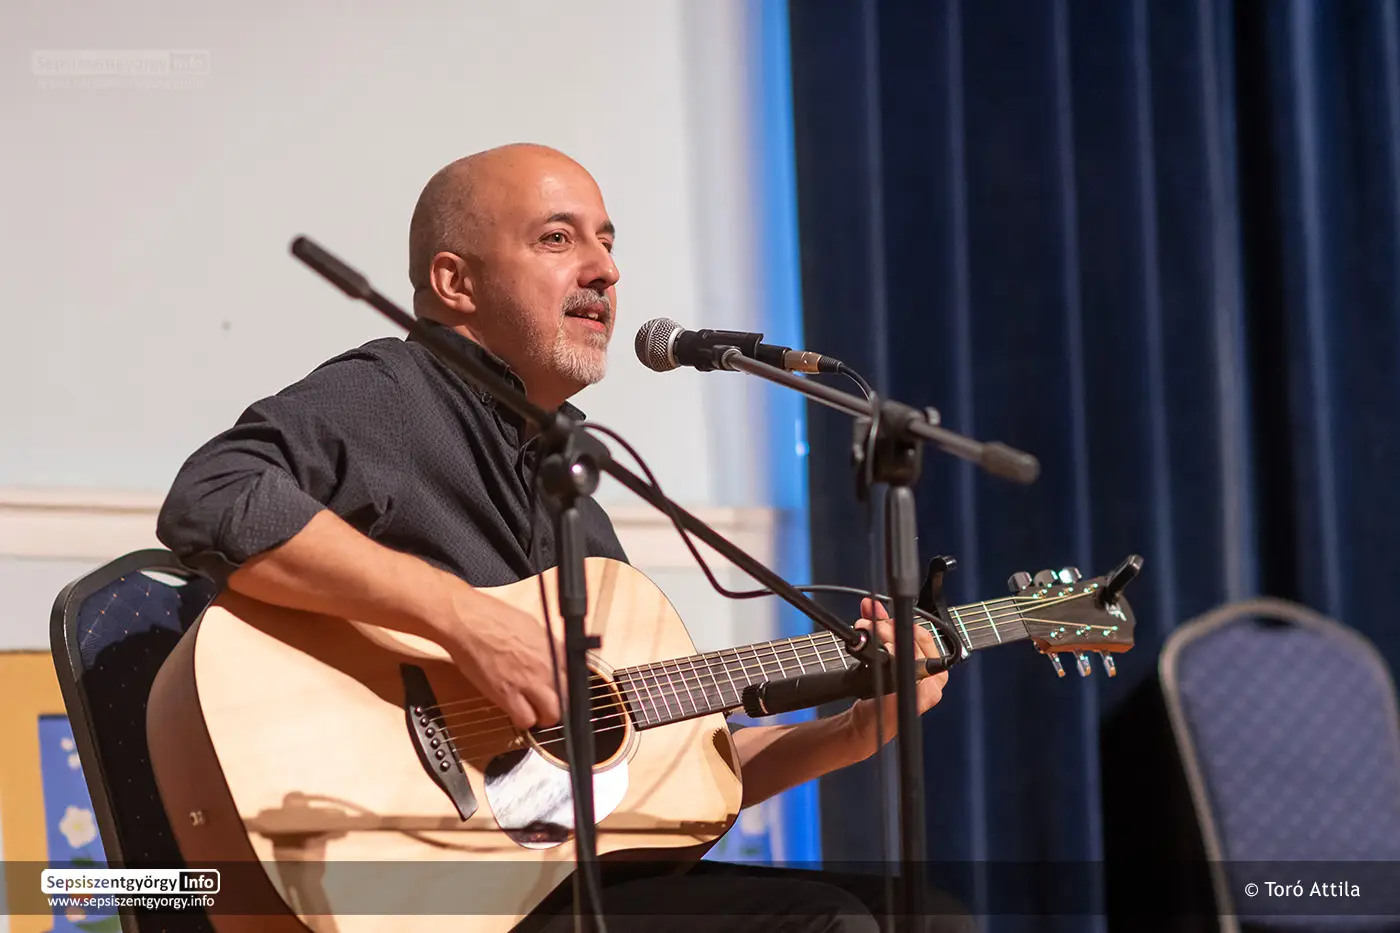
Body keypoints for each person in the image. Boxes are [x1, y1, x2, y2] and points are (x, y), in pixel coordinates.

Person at [156, 143, 969, 932]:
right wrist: (467, 621)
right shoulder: (393, 394)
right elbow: (213, 497)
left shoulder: (567, 485)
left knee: (928, 916)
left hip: (556, 879)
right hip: (423, 885)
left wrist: (853, 731)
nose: (604, 269)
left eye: (608, 242)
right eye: (557, 238)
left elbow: (667, 773)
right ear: (455, 282)